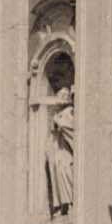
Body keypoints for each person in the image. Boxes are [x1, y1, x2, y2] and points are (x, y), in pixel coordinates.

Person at [46, 86, 76, 216]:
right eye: (60, 95)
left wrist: (59, 122)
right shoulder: (57, 114)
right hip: (58, 150)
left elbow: (71, 128)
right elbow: (54, 132)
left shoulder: (70, 111)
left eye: (65, 96)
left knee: (67, 172)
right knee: (59, 174)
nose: (62, 98)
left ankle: (72, 203)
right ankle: (64, 205)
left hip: (67, 150)